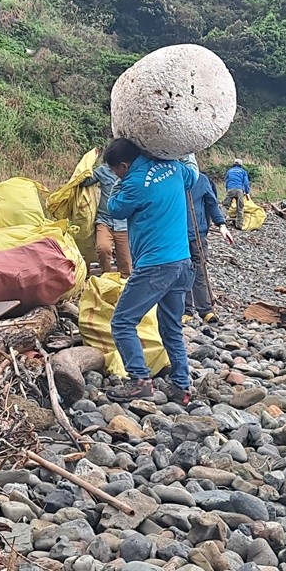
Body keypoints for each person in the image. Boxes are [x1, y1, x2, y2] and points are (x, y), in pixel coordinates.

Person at [103, 138, 197, 405]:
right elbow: (193, 176)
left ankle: (140, 381)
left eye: (115, 171)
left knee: (122, 322)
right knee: (171, 327)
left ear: (124, 166)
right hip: (182, 263)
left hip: (155, 266)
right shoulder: (174, 168)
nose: (115, 175)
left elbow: (114, 209)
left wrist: (117, 184)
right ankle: (181, 387)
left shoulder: (134, 183)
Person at [184, 173, 234, 325]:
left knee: (199, 270)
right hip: (175, 235)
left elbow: (212, 203)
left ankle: (206, 310)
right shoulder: (171, 177)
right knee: (182, 271)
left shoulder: (202, 179)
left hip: (197, 234)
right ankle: (186, 310)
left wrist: (221, 225)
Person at [82, 162, 132, 277]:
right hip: (104, 220)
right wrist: (85, 166)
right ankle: (106, 276)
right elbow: (84, 182)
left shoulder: (131, 171)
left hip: (123, 223)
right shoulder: (103, 170)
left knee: (125, 262)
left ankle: (124, 282)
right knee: (103, 248)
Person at [223, 159, 251, 230]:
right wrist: (247, 192)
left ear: (234, 164)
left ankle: (221, 223)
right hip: (239, 190)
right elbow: (246, 183)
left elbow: (226, 181)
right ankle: (239, 225)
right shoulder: (243, 172)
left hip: (230, 189)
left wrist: (227, 189)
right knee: (240, 208)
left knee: (225, 206)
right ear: (241, 165)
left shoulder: (230, 171)